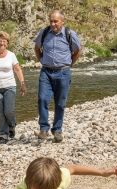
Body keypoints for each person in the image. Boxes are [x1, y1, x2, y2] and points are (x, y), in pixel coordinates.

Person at [34, 10, 82, 143]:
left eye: (55, 21)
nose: (53, 24)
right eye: (51, 21)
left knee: (60, 103)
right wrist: (41, 61)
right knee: (42, 99)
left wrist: (69, 64)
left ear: (62, 21)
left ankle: (57, 130)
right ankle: (43, 128)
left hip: (63, 72)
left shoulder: (69, 34)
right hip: (46, 72)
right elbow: (37, 48)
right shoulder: (44, 33)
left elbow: (78, 51)